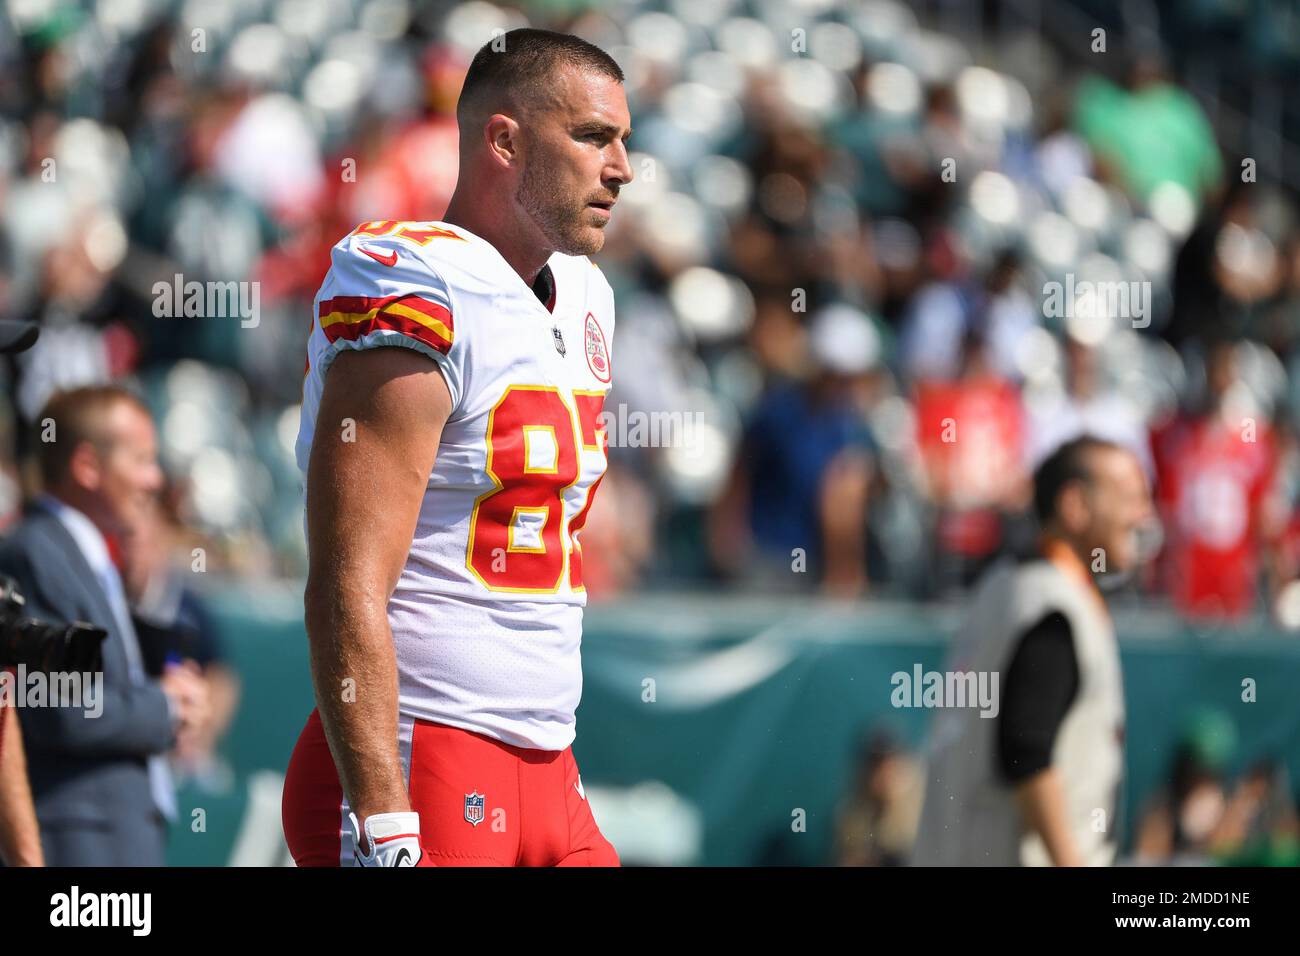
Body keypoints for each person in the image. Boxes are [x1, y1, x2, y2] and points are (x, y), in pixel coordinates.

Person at [281, 29, 632, 867]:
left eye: (625, 140)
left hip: (548, 756)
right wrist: (385, 820)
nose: (621, 167)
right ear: (503, 141)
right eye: (592, 137)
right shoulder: (412, 284)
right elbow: (345, 579)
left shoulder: (586, 296)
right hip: (423, 751)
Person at [911, 436, 1153, 866]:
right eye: (1130, 497)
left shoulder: (1004, 586)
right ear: (1075, 505)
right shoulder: (1052, 607)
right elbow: (1027, 755)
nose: (1143, 515)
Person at [0, 386, 209, 866]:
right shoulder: (36, 551)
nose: (155, 480)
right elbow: (61, 707)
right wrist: (165, 706)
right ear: (88, 467)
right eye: (142, 460)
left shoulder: (79, 554)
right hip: (76, 843)